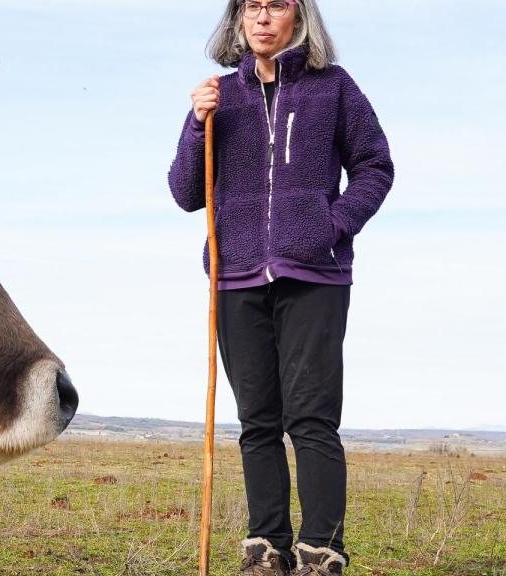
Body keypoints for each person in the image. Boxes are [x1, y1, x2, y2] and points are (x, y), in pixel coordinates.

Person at [167, 1, 394, 574]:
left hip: (314, 275)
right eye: (252, 7)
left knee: (312, 419)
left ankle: (322, 551)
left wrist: (332, 225)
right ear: (238, 19)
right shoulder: (219, 95)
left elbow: (375, 166)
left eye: (277, 5)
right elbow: (186, 192)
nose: (262, 18)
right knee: (258, 421)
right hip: (235, 276)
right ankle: (266, 549)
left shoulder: (334, 88)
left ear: (300, 17)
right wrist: (198, 126)